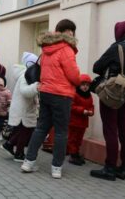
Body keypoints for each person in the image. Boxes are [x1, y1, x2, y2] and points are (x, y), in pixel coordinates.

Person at [21, 19, 80, 179]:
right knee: (61, 132)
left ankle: (28, 161)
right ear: (67, 32)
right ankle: (56, 167)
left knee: (41, 128)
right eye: (71, 31)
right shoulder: (66, 49)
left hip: (46, 92)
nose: (72, 34)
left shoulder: (46, 48)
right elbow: (73, 75)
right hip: (62, 94)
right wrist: (79, 82)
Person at [90, 19, 125, 181]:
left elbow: (97, 67)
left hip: (112, 93)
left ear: (121, 32)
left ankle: (110, 167)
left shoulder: (116, 47)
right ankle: (124, 168)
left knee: (110, 128)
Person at [1, 52, 39, 162]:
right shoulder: (25, 76)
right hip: (24, 110)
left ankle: (10, 145)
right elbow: (25, 91)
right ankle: (18, 153)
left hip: (24, 109)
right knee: (25, 132)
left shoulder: (27, 75)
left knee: (22, 131)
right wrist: (36, 87)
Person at [67, 74, 94, 166]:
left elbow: (91, 106)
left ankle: (76, 154)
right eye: (83, 84)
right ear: (79, 85)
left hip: (83, 123)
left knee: (79, 139)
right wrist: (82, 110)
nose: (85, 87)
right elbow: (71, 106)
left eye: (87, 85)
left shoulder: (89, 96)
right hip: (74, 122)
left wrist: (91, 111)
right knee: (73, 139)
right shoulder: (75, 94)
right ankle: (73, 155)